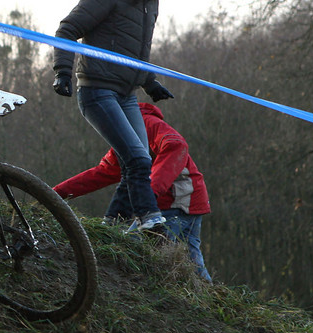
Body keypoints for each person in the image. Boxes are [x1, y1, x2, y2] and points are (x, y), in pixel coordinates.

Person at [52, 0, 181, 233]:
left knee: (139, 159)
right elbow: (67, 29)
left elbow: (134, 52)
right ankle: (151, 220)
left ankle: (111, 226)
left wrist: (150, 82)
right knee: (136, 157)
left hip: (126, 94)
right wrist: (62, 71)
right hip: (97, 91)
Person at [52, 102, 212, 281]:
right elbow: (103, 172)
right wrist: (54, 194)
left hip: (177, 202)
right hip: (181, 202)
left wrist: (149, 193)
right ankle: (211, 301)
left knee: (130, 248)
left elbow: (176, 145)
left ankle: (160, 296)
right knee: (193, 264)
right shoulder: (125, 139)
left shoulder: (146, 123)